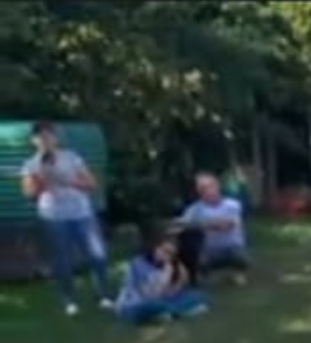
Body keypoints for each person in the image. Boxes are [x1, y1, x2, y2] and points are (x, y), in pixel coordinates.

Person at [18, 121, 113, 316]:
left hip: (82, 213)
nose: (45, 140)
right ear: (34, 141)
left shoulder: (72, 158)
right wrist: (41, 181)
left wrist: (68, 180)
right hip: (53, 217)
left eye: (49, 136)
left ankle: (104, 295)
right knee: (62, 260)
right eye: (40, 137)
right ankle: (69, 300)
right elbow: (28, 193)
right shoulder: (30, 165)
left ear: (56, 138)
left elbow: (91, 184)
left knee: (98, 254)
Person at [174, 171, 251, 285]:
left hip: (233, 248)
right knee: (196, 256)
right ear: (199, 191)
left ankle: (238, 273)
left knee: (240, 257)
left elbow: (227, 225)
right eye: (202, 188)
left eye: (210, 186)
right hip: (209, 250)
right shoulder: (194, 209)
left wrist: (199, 224)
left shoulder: (233, 205)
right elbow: (181, 223)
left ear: (217, 186)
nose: (207, 190)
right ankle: (205, 274)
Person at [114, 232, 208, 325]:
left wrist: (181, 280)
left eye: (171, 254)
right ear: (156, 248)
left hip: (161, 301)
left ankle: (171, 313)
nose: (167, 256)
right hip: (135, 305)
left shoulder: (167, 266)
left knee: (198, 295)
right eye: (165, 251)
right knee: (158, 306)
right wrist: (165, 276)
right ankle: (178, 312)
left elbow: (168, 294)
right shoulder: (139, 263)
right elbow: (150, 295)